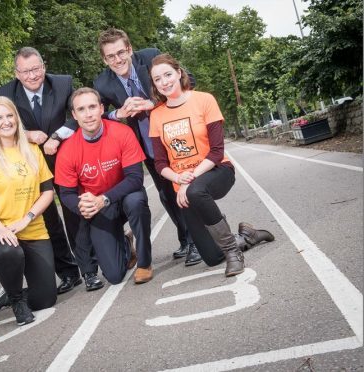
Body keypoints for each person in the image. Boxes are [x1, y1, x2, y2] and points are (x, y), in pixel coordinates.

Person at [148, 53, 275, 277]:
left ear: (179, 73)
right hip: (183, 184)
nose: (164, 82)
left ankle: (233, 253)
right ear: (154, 84)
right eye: (158, 79)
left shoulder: (204, 99)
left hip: (217, 170)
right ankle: (247, 236)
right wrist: (178, 179)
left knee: (197, 190)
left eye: (168, 75)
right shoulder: (156, 115)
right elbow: (159, 163)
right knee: (211, 257)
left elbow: (217, 151)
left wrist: (189, 180)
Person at [93, 28, 202, 266]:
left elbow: (189, 80)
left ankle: (197, 240)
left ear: (130, 49)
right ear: (104, 59)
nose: (118, 60)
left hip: (175, 135)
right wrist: (118, 112)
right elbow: (96, 114)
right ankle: (186, 238)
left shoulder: (152, 57)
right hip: (146, 146)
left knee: (183, 187)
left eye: (121, 52)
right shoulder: (102, 82)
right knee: (165, 193)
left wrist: (154, 102)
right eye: (110, 56)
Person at [0, 47, 82, 306]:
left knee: (75, 212)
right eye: (25, 71)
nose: (32, 75)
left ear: (44, 66)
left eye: (36, 68)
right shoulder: (3, 94)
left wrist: (56, 136)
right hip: (30, 168)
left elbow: (76, 116)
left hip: (65, 158)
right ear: (16, 74)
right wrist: (27, 134)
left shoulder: (63, 83)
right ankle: (68, 273)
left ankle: (90, 264)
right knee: (49, 220)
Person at [0, 96, 57, 325]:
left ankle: (10, 294)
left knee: (46, 299)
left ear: (16, 119)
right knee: (9, 252)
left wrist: (27, 219)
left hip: (32, 229)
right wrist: (2, 229)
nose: (6, 121)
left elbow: (47, 192)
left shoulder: (32, 150)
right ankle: (17, 300)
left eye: (9, 115)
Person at [55, 87, 153, 286]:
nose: (88, 113)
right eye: (81, 109)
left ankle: (144, 263)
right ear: (74, 115)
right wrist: (83, 205)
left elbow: (135, 178)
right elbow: (66, 194)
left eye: (92, 107)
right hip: (98, 207)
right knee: (115, 276)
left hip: (122, 196)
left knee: (136, 201)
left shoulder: (122, 132)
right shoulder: (67, 150)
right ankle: (126, 244)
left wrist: (104, 199)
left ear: (101, 108)